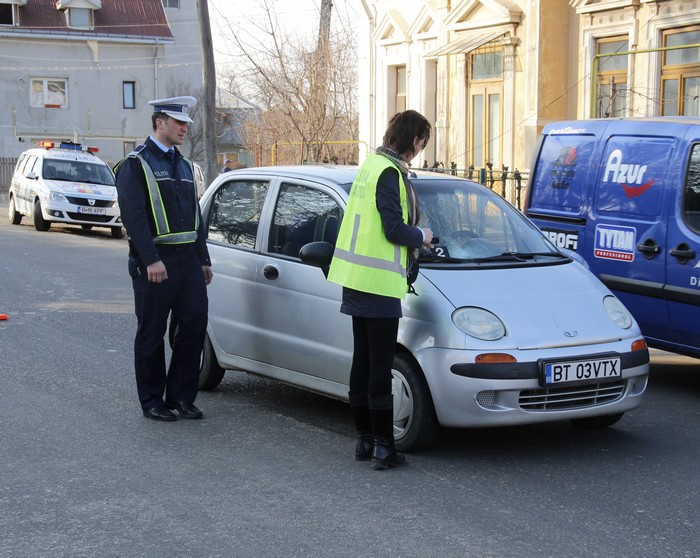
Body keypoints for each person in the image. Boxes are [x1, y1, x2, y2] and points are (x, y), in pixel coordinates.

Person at [327, 110, 433, 470]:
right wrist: (423, 236)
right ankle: (384, 447)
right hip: (378, 282)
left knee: (364, 359)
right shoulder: (390, 174)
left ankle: (365, 440)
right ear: (413, 139)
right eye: (422, 141)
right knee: (380, 365)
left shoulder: (372, 165)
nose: (421, 148)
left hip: (357, 277)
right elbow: (393, 229)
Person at [115, 96, 213, 422]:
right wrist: (151, 259)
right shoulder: (136, 164)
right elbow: (134, 218)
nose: (184, 128)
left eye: (186, 123)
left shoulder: (184, 164)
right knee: (152, 332)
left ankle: (182, 397)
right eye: (179, 123)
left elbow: (195, 217)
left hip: (187, 261)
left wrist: (203, 259)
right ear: (160, 123)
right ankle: (153, 401)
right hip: (155, 262)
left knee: (195, 324)